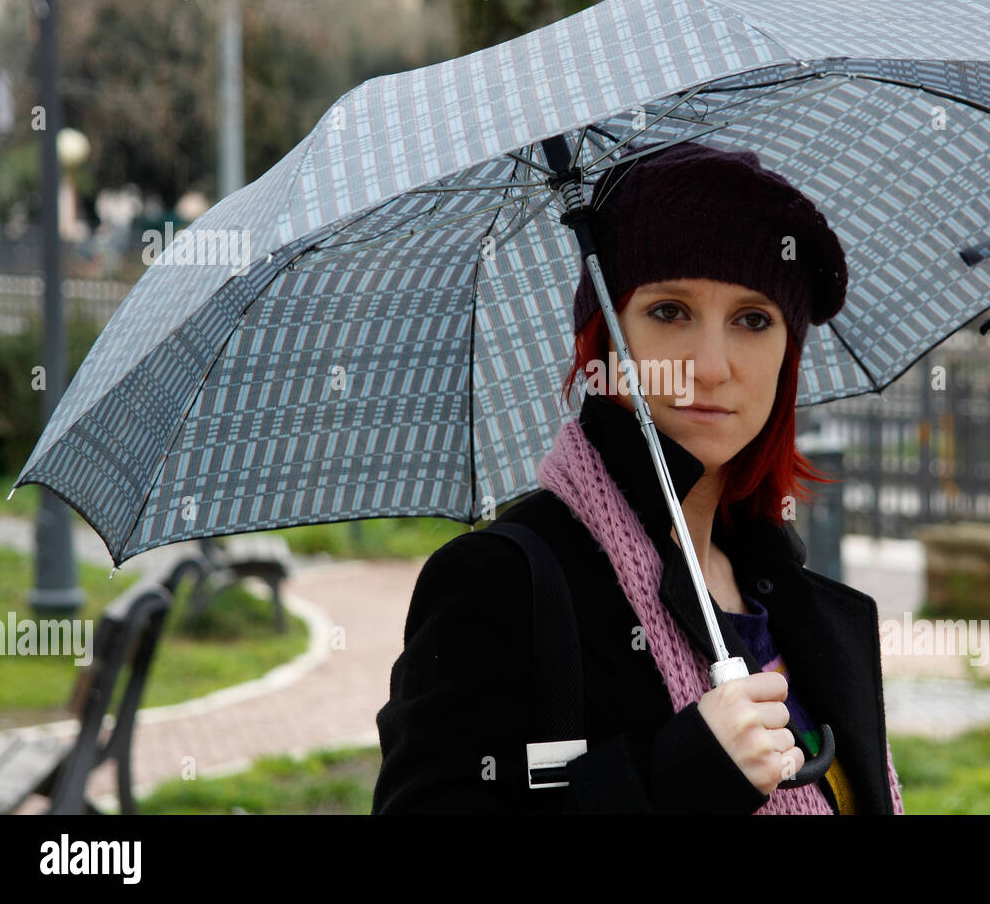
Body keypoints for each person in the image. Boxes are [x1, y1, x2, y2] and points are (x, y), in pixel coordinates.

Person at [372, 140, 904, 814]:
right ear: (604, 342)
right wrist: (674, 781)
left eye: (752, 320)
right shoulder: (499, 584)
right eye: (669, 311)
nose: (711, 366)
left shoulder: (794, 596)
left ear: (786, 359)